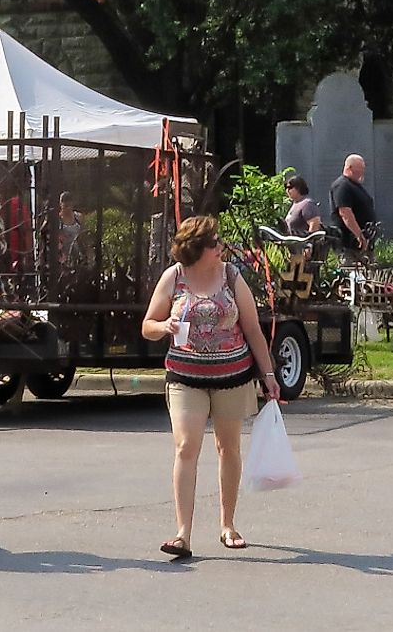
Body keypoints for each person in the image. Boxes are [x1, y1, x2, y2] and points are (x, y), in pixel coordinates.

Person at [142, 214, 280, 561]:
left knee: (227, 448)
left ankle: (227, 524)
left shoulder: (231, 277)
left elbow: (252, 329)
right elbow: (147, 325)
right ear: (198, 249)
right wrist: (165, 326)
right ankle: (182, 534)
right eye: (215, 243)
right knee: (186, 446)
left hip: (231, 376)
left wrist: (269, 375)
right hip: (184, 377)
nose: (221, 247)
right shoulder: (174, 277)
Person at [329, 154, 378, 258]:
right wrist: (359, 235)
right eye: (361, 168)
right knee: (351, 271)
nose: (363, 171)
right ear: (350, 168)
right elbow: (345, 213)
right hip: (349, 244)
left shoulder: (355, 186)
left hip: (361, 244)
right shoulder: (342, 186)